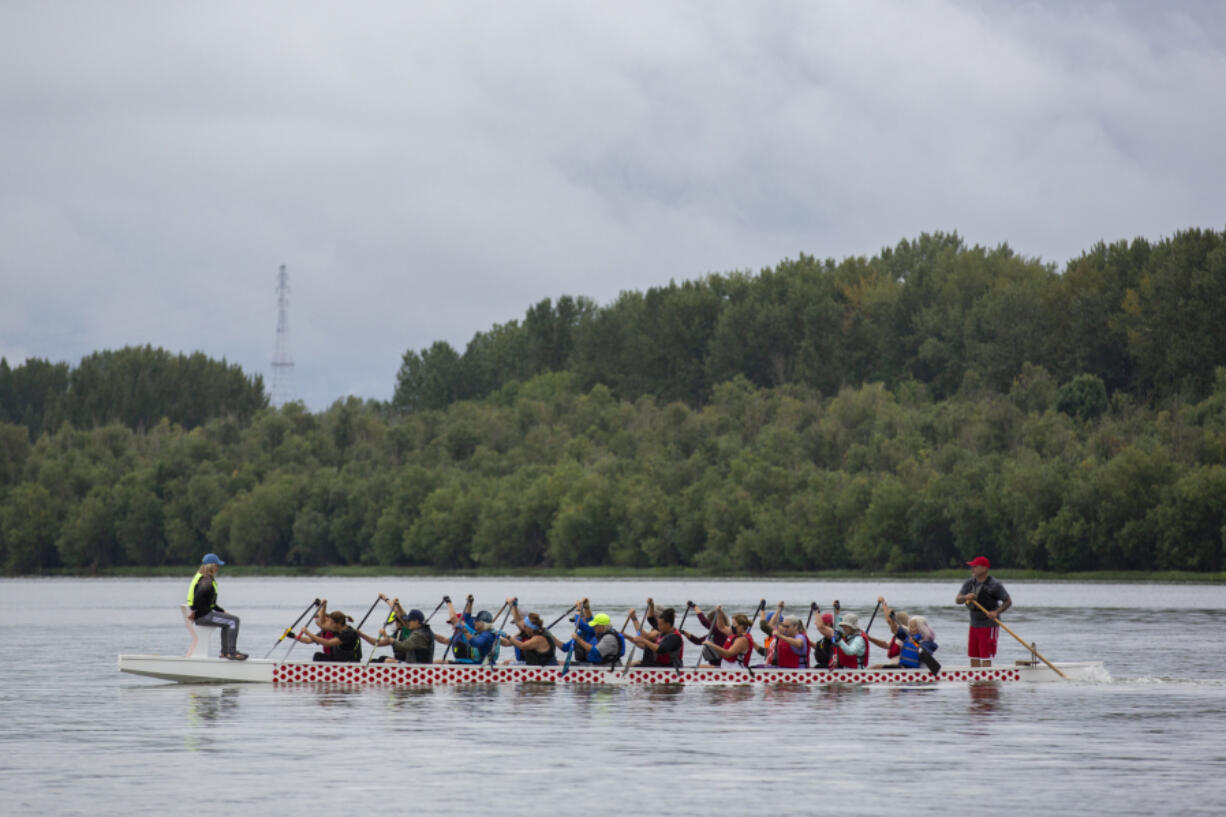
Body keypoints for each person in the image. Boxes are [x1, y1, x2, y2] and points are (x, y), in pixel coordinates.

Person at [186, 553, 246, 660]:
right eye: (217, 566)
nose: (218, 568)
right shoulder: (206, 581)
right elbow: (197, 597)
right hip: (204, 616)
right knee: (234, 621)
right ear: (211, 567)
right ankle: (231, 653)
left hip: (203, 614)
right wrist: (194, 611)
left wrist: (222, 611)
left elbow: (209, 603)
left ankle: (225, 652)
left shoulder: (202, 578)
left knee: (228, 622)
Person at [955, 556, 1012, 667]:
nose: (972, 569)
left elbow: (1008, 601)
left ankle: (987, 682)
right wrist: (966, 597)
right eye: (972, 566)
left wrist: (996, 612)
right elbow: (957, 600)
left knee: (985, 657)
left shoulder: (995, 585)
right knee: (973, 657)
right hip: (974, 624)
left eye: (975, 566)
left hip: (989, 625)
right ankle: (976, 682)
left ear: (985, 569)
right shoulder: (969, 583)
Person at [364, 596, 435, 664]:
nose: (408, 622)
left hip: (417, 668)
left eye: (409, 620)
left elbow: (402, 646)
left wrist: (387, 637)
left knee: (387, 661)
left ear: (416, 621)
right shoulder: (413, 629)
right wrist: (397, 605)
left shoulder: (416, 633)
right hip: (411, 663)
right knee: (380, 659)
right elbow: (401, 615)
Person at [872, 598, 938, 669]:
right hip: (904, 667)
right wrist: (893, 619)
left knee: (876, 668)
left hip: (919, 670)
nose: (910, 629)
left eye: (913, 627)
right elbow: (894, 630)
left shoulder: (927, 642)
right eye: (910, 626)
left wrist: (915, 643)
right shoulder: (908, 636)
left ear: (920, 629)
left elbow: (925, 652)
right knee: (875, 667)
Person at [503, 598, 558, 666]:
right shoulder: (533, 630)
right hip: (535, 665)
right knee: (507, 662)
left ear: (530, 628)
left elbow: (522, 646)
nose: (523, 628)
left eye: (525, 627)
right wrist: (513, 605)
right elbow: (519, 622)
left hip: (546, 669)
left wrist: (507, 636)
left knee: (509, 664)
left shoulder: (538, 638)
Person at [298, 608, 362, 662]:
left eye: (331, 623)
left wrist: (308, 633)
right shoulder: (338, 630)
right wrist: (322, 606)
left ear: (338, 623)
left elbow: (328, 643)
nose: (329, 625)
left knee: (318, 657)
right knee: (318, 656)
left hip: (350, 663)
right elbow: (322, 624)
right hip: (341, 660)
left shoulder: (349, 633)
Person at [866, 595, 908, 663]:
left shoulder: (904, 631)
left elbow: (889, 621)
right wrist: (870, 638)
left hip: (901, 665)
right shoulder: (898, 635)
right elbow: (885, 645)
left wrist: (883, 603)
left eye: (893, 620)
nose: (891, 622)